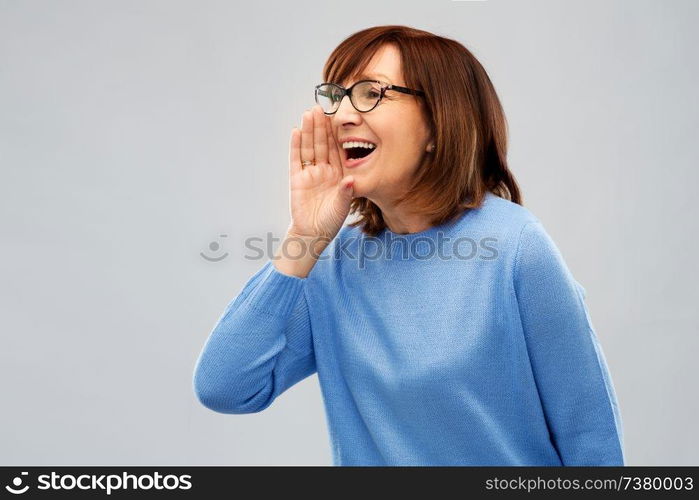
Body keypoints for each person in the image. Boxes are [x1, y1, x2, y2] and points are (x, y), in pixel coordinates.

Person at [192, 25, 626, 466]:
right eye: (337, 96)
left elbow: (589, 438)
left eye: (370, 93)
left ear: (438, 123)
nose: (341, 115)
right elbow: (225, 388)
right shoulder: (332, 263)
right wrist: (303, 239)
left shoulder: (515, 247)